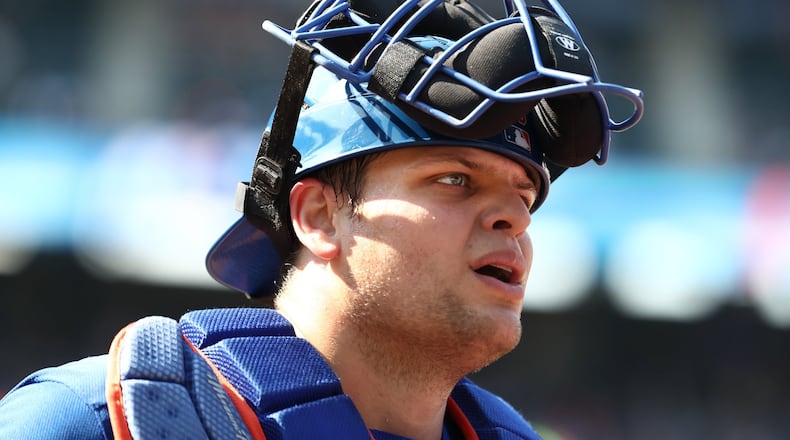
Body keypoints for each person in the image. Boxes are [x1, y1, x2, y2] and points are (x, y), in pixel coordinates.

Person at [0, 0, 643, 438]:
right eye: (454, 179)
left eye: (525, 195)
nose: (512, 219)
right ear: (317, 215)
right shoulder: (101, 419)